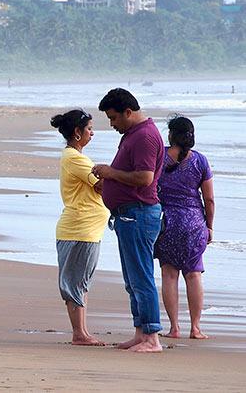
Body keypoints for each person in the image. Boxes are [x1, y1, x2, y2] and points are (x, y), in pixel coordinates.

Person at [92, 88, 165, 353]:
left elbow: (144, 177)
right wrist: (109, 180)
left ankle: (152, 337)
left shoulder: (144, 136)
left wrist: (111, 172)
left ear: (128, 112)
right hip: (129, 214)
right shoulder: (133, 134)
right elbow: (131, 174)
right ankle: (140, 332)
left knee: (141, 276)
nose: (111, 124)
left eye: (113, 118)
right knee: (132, 278)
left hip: (139, 214)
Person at [51, 110, 109, 346]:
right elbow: (101, 185)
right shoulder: (75, 158)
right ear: (77, 132)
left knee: (81, 281)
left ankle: (82, 331)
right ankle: (79, 333)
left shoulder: (74, 157)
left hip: (86, 228)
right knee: (76, 282)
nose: (92, 133)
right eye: (89, 129)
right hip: (79, 229)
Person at [155, 116, 214, 339]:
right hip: (194, 223)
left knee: (169, 275)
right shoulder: (200, 161)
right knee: (194, 275)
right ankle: (196, 328)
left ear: (171, 135)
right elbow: (209, 200)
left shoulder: (160, 158)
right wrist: (209, 226)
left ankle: (174, 328)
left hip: (168, 222)